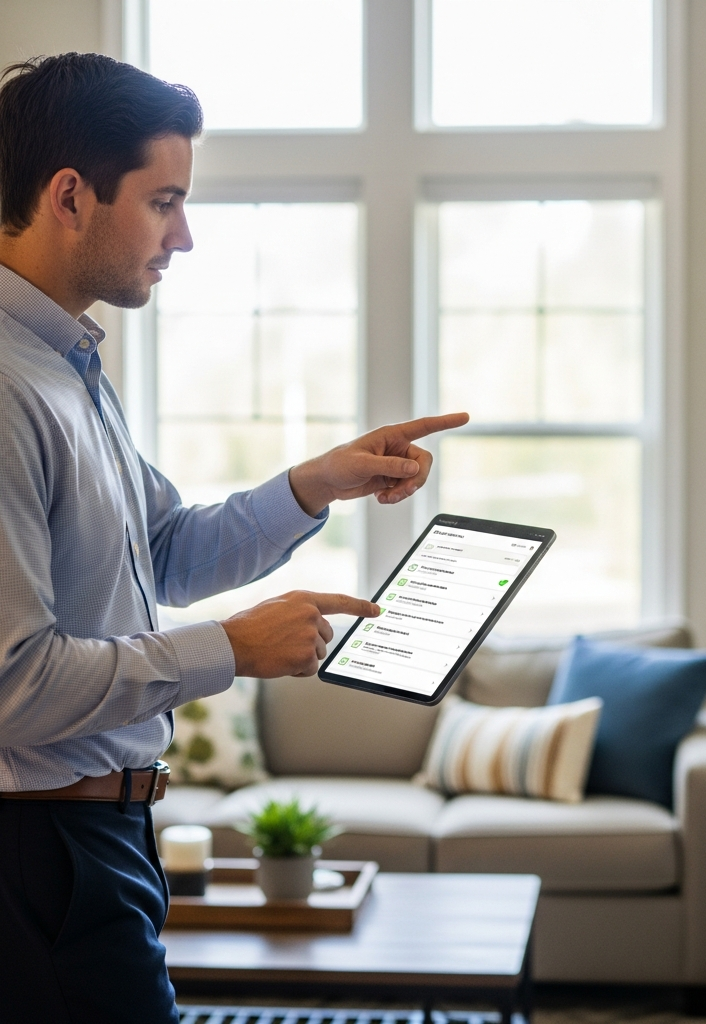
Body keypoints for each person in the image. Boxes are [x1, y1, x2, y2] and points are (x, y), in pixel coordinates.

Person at [0, 52, 468, 1023]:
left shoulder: (67, 366)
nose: (186, 234)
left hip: (102, 839)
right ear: (71, 196)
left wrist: (317, 482)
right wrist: (232, 650)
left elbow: (164, 550)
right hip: (37, 855)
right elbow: (16, 686)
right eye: (164, 200)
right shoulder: (8, 390)